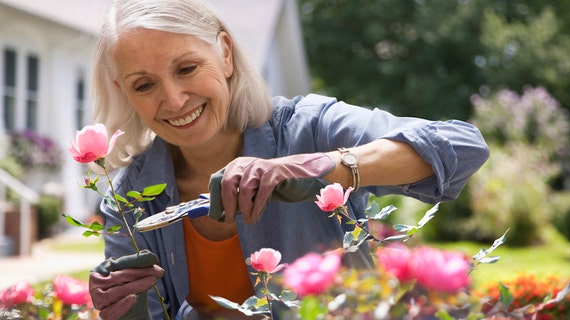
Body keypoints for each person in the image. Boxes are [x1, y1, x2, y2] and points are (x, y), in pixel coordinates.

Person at [86, 0, 490, 319]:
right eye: (144, 85)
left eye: (187, 68)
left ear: (225, 53)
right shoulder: (131, 199)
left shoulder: (309, 128)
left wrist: (317, 168)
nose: (173, 100)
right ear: (125, 92)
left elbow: (462, 146)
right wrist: (126, 311)